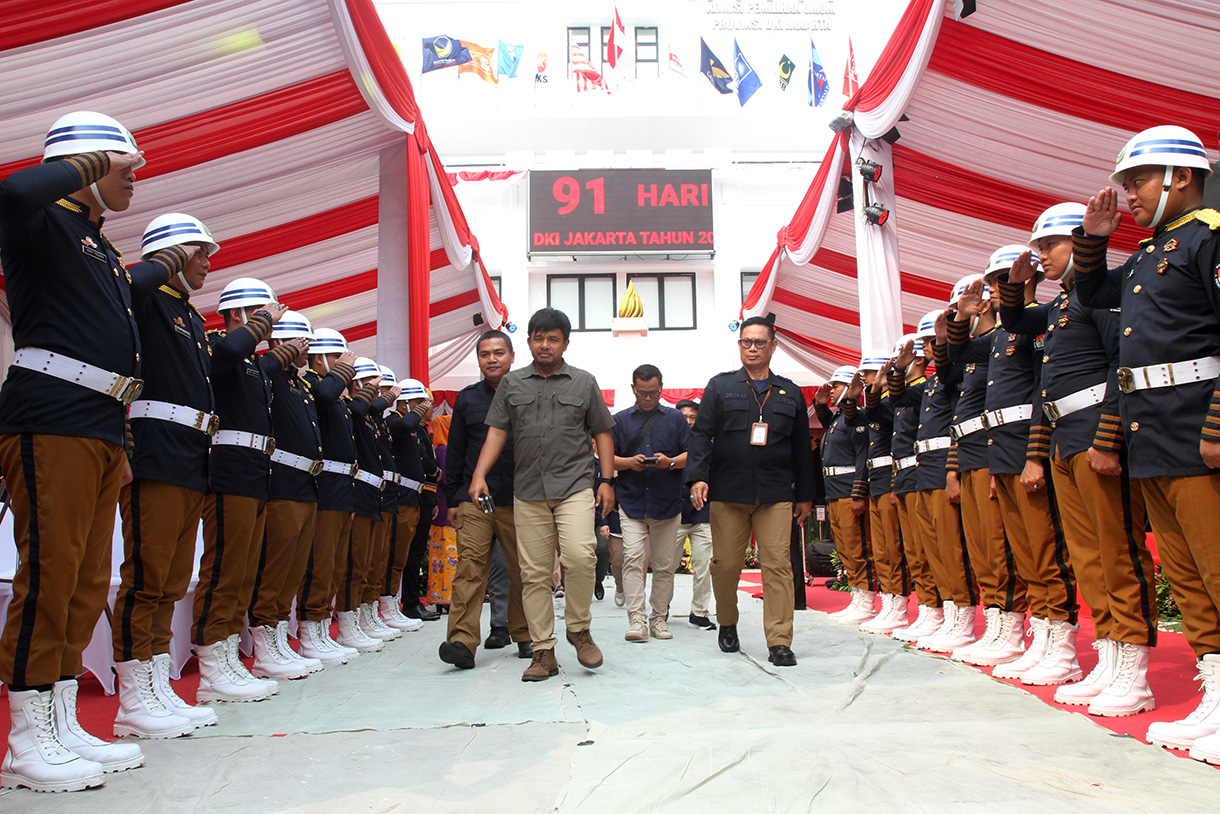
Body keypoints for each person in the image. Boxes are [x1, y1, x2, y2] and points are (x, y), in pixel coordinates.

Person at [0, 112, 155, 792]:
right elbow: (10, 195)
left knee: (89, 581)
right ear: (87, 165)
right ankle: (27, 740)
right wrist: (91, 161)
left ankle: (62, 725)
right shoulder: (39, 223)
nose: (134, 181)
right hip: (50, 414)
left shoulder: (100, 249)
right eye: (125, 168)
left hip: (98, 423)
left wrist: (118, 435)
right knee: (52, 572)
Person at [1073, 126, 1220, 751]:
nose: (1125, 193)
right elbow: (1094, 299)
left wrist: (1217, 424)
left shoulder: (1207, 240)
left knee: (1216, 567)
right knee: (1186, 575)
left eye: (1137, 180)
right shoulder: (1150, 253)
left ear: (1180, 177)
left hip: (1196, 425)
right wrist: (1094, 244)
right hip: (1153, 430)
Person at [999, 203, 1158, 694]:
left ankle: (1132, 663)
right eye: (1039, 246)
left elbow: (1121, 365)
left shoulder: (1101, 297)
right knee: (1089, 555)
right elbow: (1019, 324)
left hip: (1095, 433)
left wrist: (1108, 438)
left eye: (1049, 245)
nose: (1041, 254)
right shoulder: (1063, 305)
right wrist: (1015, 288)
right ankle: (1109, 654)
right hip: (1064, 437)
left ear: (1079, 242)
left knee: (1117, 550)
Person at [112, 215, 225, 741]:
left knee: (173, 578)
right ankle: (134, 696)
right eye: (199, 252)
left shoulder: (190, 315)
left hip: (190, 455)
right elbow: (127, 284)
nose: (207, 262)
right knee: (147, 577)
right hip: (156, 450)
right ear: (174, 254)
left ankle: (156, 686)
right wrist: (164, 263)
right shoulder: (149, 295)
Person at [470, 308, 616, 682]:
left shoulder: (584, 382)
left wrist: (607, 480)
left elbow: (602, 433)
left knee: (582, 557)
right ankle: (543, 651)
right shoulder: (512, 384)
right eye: (538, 337)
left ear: (565, 343)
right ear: (529, 341)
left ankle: (579, 629)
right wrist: (479, 475)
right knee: (533, 573)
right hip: (529, 490)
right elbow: (497, 433)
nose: (544, 345)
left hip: (575, 486)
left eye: (553, 338)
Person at [687, 316, 814, 667]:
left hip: (775, 495)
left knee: (778, 567)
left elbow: (802, 448)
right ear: (739, 345)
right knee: (725, 566)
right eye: (747, 342)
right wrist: (697, 476)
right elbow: (701, 435)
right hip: (728, 492)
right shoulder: (721, 387)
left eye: (760, 342)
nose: (753, 348)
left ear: (773, 346)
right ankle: (727, 622)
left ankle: (779, 641)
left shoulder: (790, 393)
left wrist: (805, 495)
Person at [191, 278, 285, 704]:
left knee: (244, 571)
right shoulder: (220, 346)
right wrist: (262, 320)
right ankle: (211, 665)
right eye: (260, 315)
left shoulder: (253, 362)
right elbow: (227, 352)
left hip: (254, 470)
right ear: (236, 314)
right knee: (224, 570)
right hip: (228, 469)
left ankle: (227, 657)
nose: (268, 327)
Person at [946, 274, 1029, 660]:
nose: (994, 288)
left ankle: (1012, 628)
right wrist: (959, 320)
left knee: (1001, 547)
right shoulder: (990, 344)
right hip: (977, 453)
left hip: (1000, 449)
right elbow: (953, 365)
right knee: (982, 549)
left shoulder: (1021, 328)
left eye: (1000, 281)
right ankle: (996, 625)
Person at [439, 330, 531, 668]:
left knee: (523, 571)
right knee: (469, 569)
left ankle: (524, 635)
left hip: (520, 499)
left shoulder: (528, 393)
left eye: (498, 353)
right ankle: (462, 641)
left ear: (511, 356)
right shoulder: (467, 399)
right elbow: (457, 452)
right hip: (475, 499)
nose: (492, 359)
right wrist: (452, 499)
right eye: (485, 354)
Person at [247, 311, 325, 680]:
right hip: (282, 480)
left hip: (305, 483)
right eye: (301, 343)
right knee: (275, 568)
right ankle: (265, 644)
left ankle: (279, 640)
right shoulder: (269, 375)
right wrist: (277, 350)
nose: (306, 352)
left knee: (292, 570)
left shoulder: (300, 384)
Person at [611, 364, 691, 643]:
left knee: (665, 564)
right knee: (632, 560)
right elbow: (606, 458)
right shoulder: (620, 420)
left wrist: (669, 462)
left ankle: (658, 618)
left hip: (667, 501)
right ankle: (636, 618)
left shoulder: (675, 419)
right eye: (643, 393)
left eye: (653, 393)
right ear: (633, 389)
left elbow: (691, 455)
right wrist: (628, 464)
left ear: (661, 389)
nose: (648, 398)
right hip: (631, 500)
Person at [295, 329, 360, 664]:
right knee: (319, 562)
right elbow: (324, 392)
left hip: (342, 483)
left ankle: (321, 627)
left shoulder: (336, 396)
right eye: (337, 359)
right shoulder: (313, 387)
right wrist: (341, 374)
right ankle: (310, 628)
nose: (343, 366)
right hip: (325, 481)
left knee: (334, 562)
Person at [335, 358, 398, 651]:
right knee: (355, 562)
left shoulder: (374, 419)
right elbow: (362, 406)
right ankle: (348, 622)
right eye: (368, 383)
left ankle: (366, 616)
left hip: (375, 493)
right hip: (358, 491)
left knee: (373, 561)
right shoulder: (354, 409)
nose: (376, 390)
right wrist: (378, 394)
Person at [885, 334, 942, 642]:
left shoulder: (927, 387)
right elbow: (891, 403)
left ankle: (941, 610)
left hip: (928, 471)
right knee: (916, 550)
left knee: (937, 547)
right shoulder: (918, 390)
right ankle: (930, 609)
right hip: (909, 476)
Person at [857, 350, 912, 634]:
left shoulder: (897, 402)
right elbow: (863, 420)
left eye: (869, 373)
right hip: (876, 480)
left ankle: (899, 605)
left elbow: (896, 444)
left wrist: (893, 483)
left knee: (894, 547)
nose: (866, 379)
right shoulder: (880, 404)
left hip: (891, 476)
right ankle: (890, 601)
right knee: (881, 550)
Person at [818, 365, 875, 625]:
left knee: (858, 547)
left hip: (848, 490)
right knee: (845, 549)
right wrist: (820, 406)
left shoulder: (857, 420)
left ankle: (868, 600)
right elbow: (827, 422)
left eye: (837, 387)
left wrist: (858, 493)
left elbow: (863, 457)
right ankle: (857, 595)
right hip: (834, 492)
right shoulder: (837, 420)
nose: (832, 392)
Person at [675, 399, 715, 630]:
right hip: (674, 516)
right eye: (684, 417)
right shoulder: (669, 444)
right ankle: (662, 610)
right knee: (665, 567)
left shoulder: (709, 446)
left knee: (704, 566)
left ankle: (699, 613)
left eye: (693, 417)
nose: (689, 422)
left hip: (703, 514)